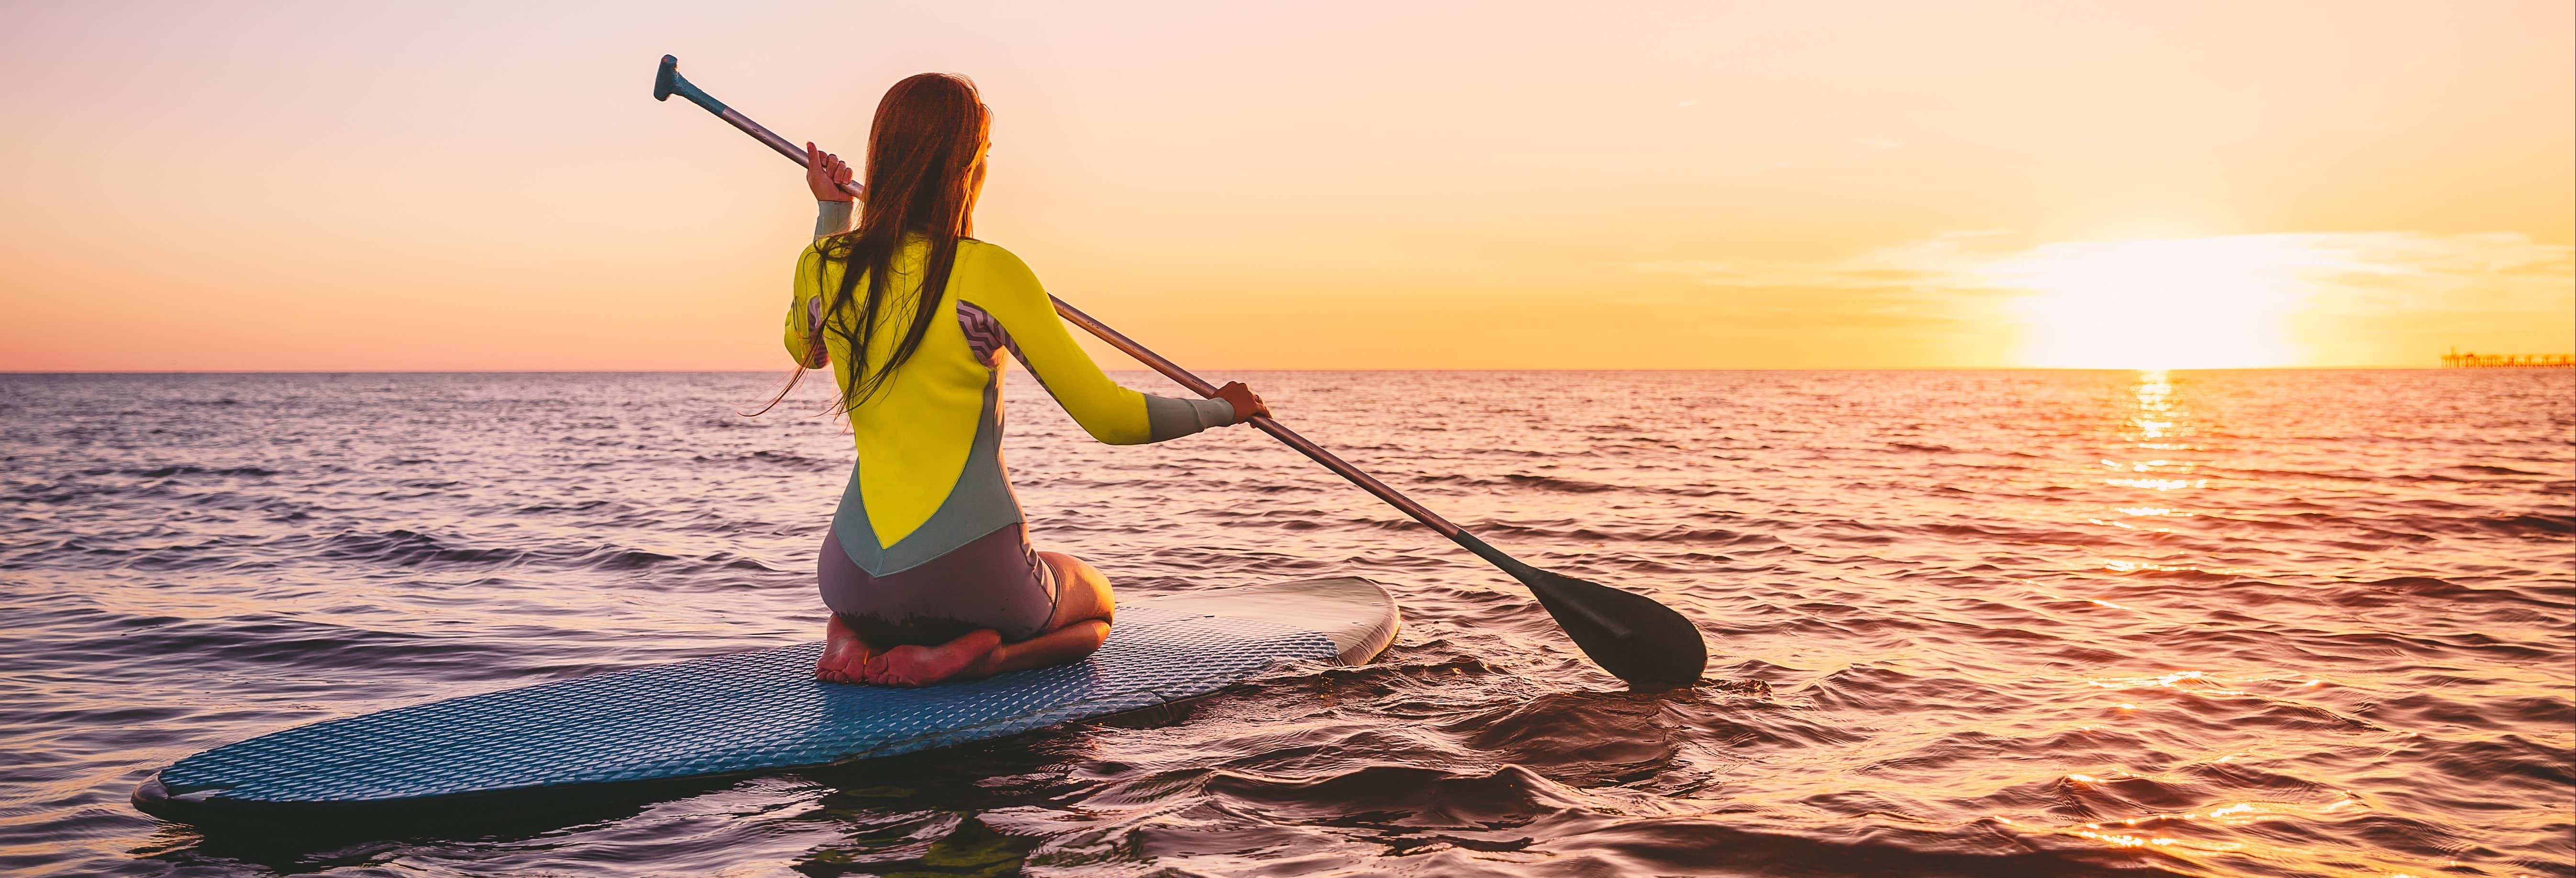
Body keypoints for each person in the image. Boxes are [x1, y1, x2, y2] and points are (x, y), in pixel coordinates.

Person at [783, 73, 1268, 687]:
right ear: (968, 166)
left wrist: (831, 216)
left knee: (889, 597)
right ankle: (973, 657)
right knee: (1096, 606)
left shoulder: (825, 264)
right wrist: (1219, 410)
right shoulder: (991, 273)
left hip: (847, 576)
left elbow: (808, 348)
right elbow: (1110, 419)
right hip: (974, 580)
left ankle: (852, 633)